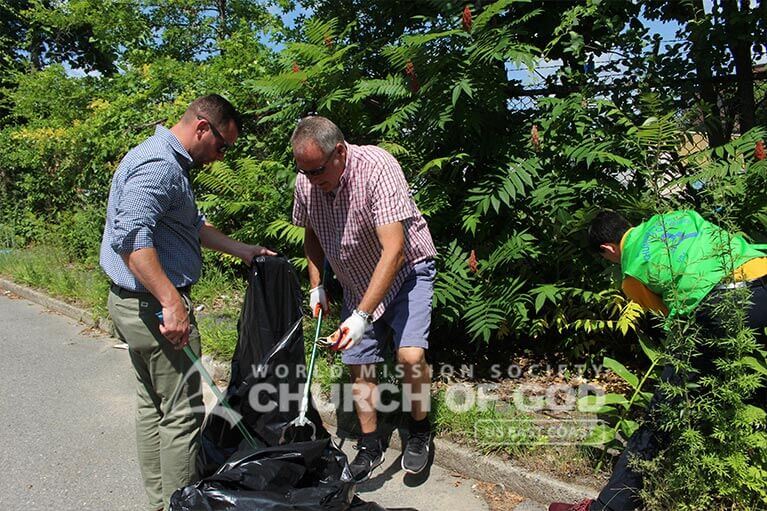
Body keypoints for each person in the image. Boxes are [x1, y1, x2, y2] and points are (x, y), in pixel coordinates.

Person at [100, 94, 275, 511]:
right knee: (181, 415)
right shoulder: (160, 166)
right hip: (152, 309)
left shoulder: (162, 158)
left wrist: (244, 249)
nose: (220, 157)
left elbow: (190, 227)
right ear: (202, 127)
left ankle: (160, 502)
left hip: (133, 305)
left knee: (153, 406)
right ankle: (180, 504)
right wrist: (171, 301)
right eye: (222, 146)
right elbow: (131, 239)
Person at [550, 209, 767, 511]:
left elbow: (672, 316)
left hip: (723, 304)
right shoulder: (672, 217)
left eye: (606, 257)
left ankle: (608, 507)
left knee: (661, 414)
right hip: (762, 275)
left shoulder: (632, 273)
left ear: (608, 249)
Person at [290, 115, 438, 482]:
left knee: (410, 357)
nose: (311, 180)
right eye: (304, 172)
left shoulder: (378, 168)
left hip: (408, 272)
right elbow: (311, 234)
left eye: (318, 170)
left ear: (339, 151)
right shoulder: (306, 181)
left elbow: (395, 252)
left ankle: (419, 430)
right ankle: (370, 443)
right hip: (357, 279)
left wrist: (360, 317)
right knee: (360, 364)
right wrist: (316, 285)